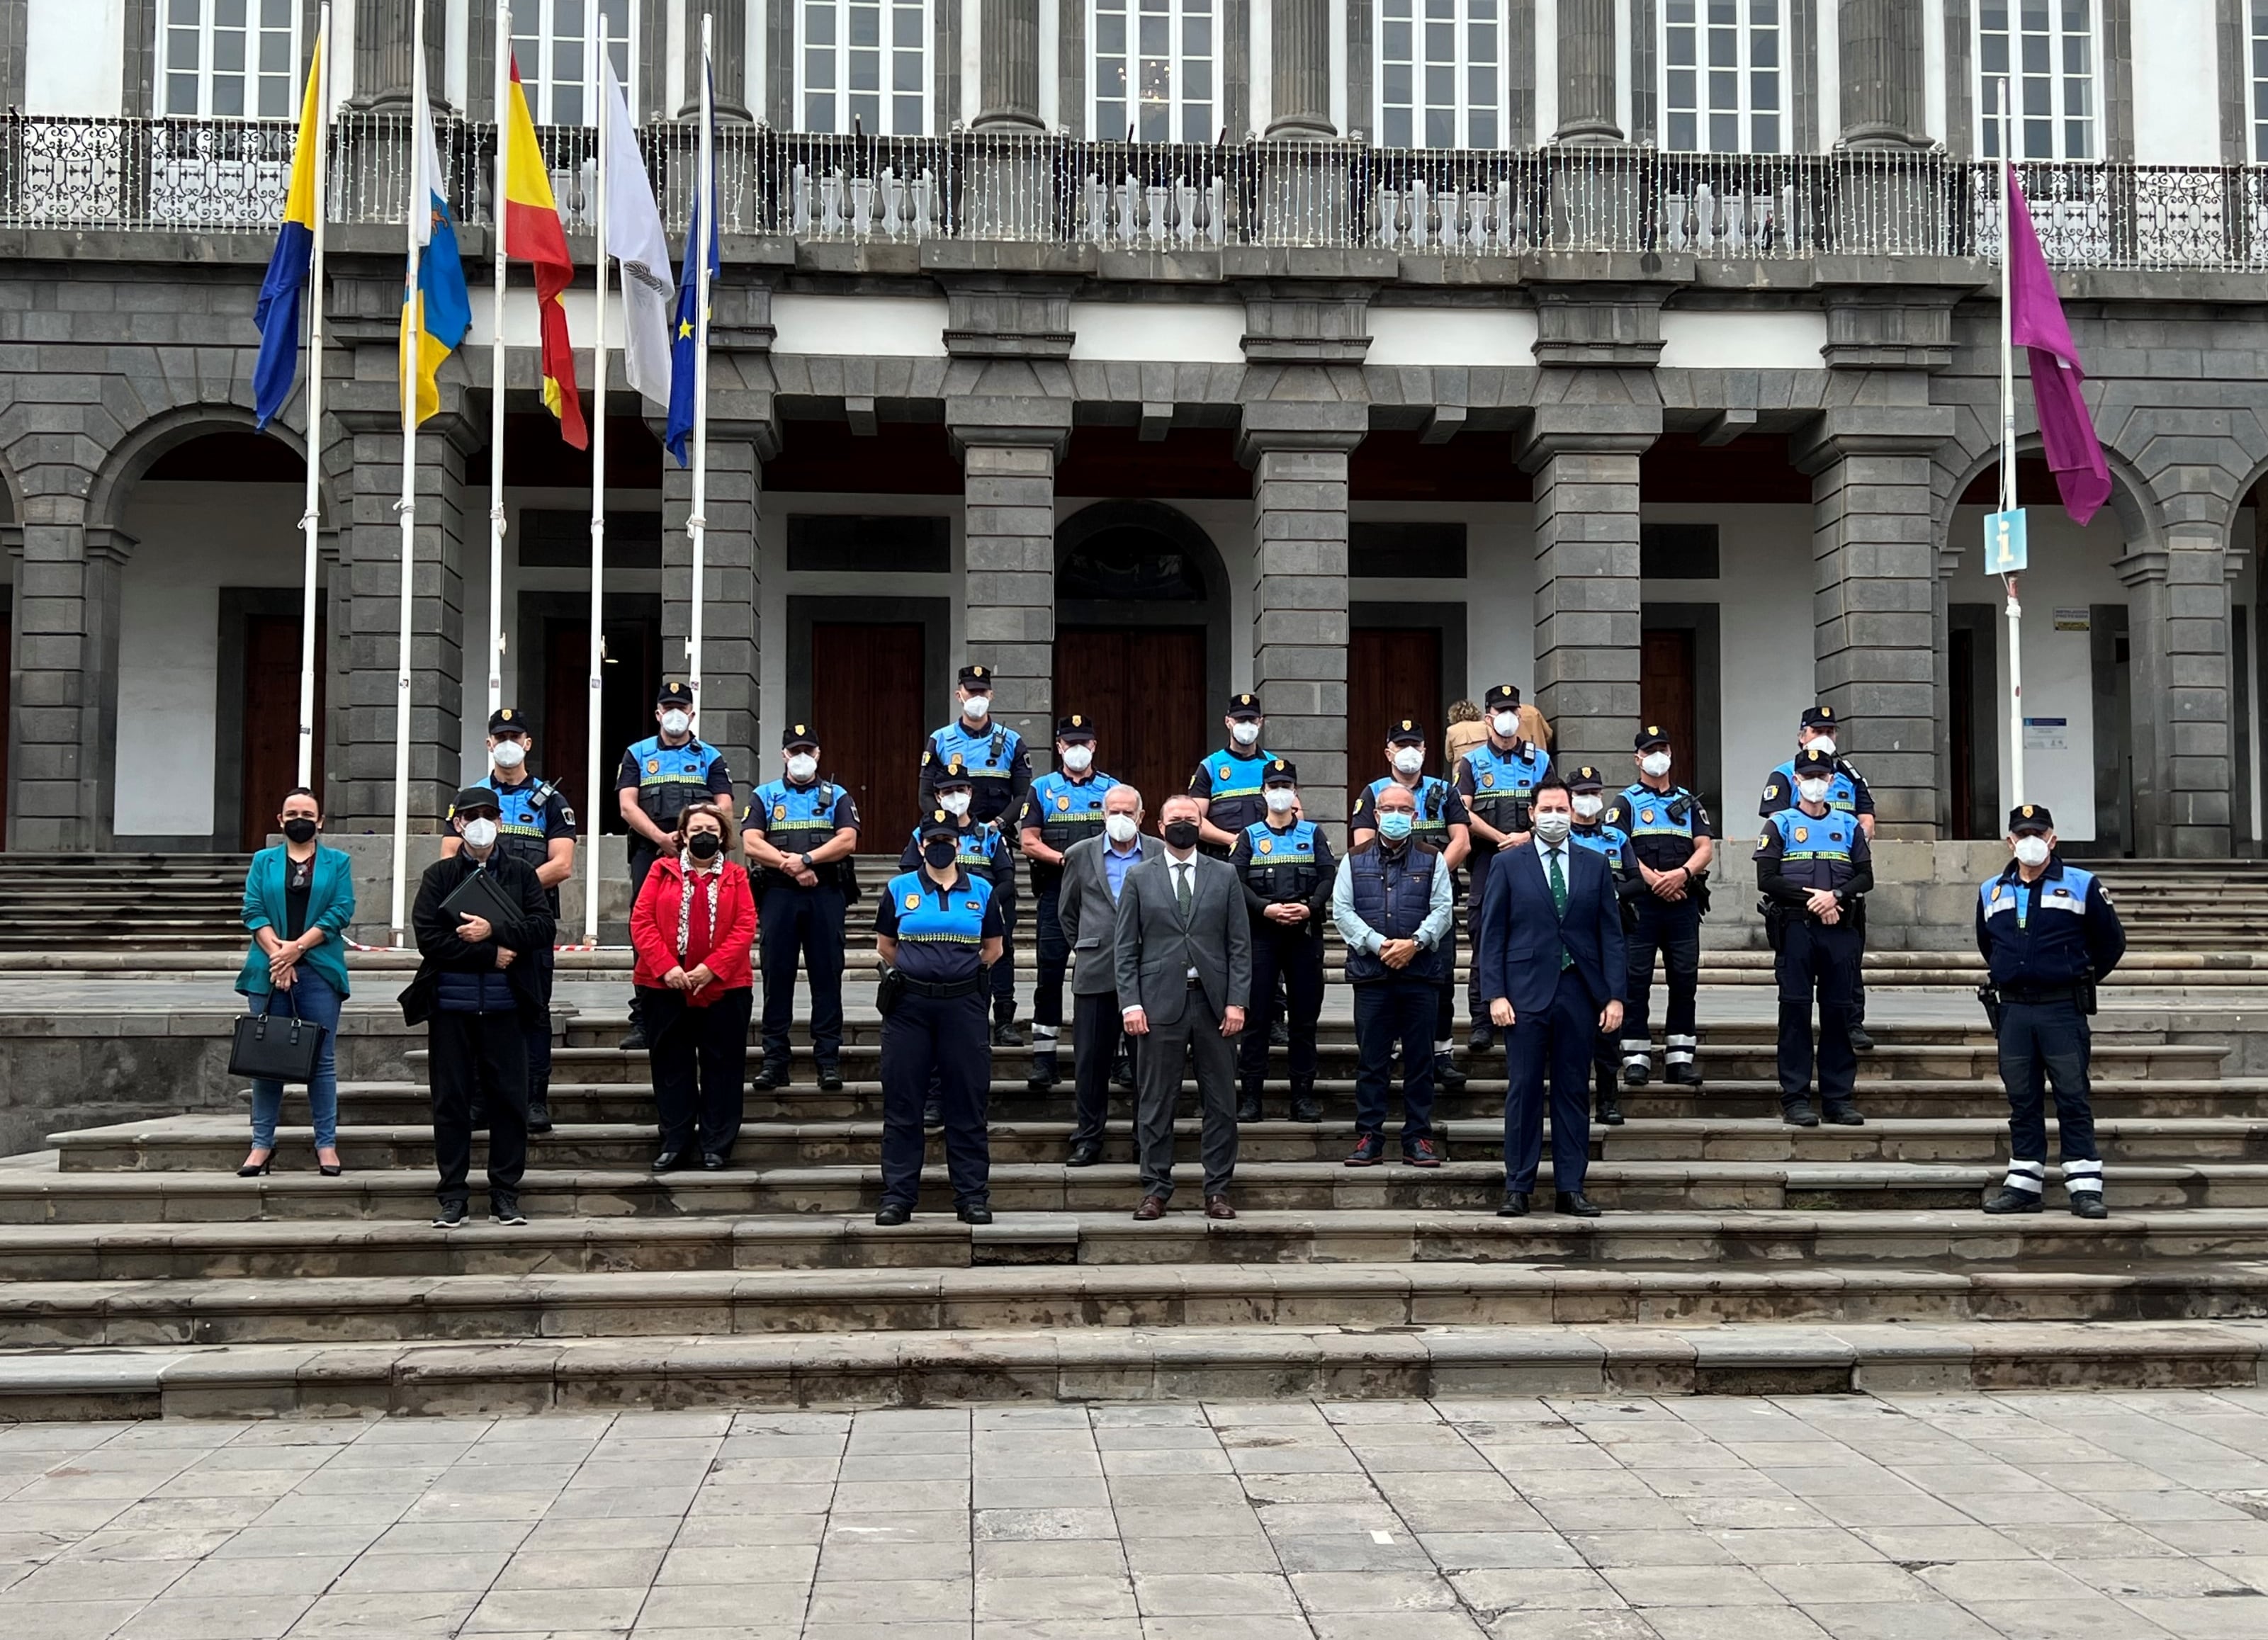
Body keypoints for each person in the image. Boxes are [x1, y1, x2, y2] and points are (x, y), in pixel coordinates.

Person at [400, 788, 556, 1228]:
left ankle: (505, 1194)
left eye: (489, 814)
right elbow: (429, 938)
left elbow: (542, 926)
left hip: (507, 1008)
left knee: (509, 1102)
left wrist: (494, 928)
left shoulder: (523, 874)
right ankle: (452, 1195)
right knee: (451, 1103)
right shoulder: (440, 875)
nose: (481, 822)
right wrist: (489, 953)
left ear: (500, 821)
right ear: (458, 824)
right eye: (472, 816)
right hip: (452, 1006)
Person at [1476, 774, 1627, 1219]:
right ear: (1532, 814)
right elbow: (1493, 934)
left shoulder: (1594, 864)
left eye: (1563, 809)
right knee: (1523, 1091)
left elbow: (1611, 937)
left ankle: (1571, 1186)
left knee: (1573, 1091)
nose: (1556, 817)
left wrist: (1615, 997)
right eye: (1548, 810)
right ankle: (1518, 1187)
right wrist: (1495, 994)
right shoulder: (1509, 864)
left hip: (1579, 991)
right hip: (1523, 995)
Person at [1978, 804, 2127, 1218]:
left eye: (2038, 833)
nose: (2030, 841)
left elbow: (2111, 943)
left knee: (2073, 1097)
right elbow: (1988, 944)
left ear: (2052, 839)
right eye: (2022, 834)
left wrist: (2076, 977)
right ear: (2010, 841)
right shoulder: (1991, 890)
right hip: (2014, 1011)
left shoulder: (2082, 884)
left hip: (2062, 1008)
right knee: (2021, 1099)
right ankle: (2024, 1186)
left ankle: (2085, 1188)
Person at [1117, 793, 1251, 1220]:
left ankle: (1218, 1190)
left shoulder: (1225, 874)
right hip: (1158, 1004)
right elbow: (1125, 950)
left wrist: (1237, 1001)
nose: (1183, 825)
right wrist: (1130, 1004)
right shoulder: (1139, 877)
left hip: (1214, 1004)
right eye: (1175, 819)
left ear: (1201, 825)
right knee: (1156, 1101)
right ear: (1158, 825)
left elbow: (1239, 946)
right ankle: (1156, 1189)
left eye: (1190, 819)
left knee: (1221, 1102)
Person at [443, 708, 575, 1135]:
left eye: (515, 735)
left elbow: (563, 864)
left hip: (531, 925)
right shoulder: (471, 797)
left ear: (527, 744)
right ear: (488, 743)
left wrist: (511, 892)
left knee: (533, 1014)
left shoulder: (552, 801)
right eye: (499, 736)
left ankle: (534, 1100)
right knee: (481, 1010)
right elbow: (448, 857)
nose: (507, 742)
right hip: (476, 926)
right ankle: (482, 1100)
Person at [873, 808, 1006, 1225]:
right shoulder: (899, 888)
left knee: (967, 1102)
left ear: (960, 844)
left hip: (963, 1007)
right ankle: (898, 1196)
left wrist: (956, 977)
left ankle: (971, 1196)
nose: (941, 847)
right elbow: (886, 945)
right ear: (921, 845)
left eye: (948, 841)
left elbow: (994, 950)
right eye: (933, 841)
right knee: (903, 1103)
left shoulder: (982, 890)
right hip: (909, 1007)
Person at [1331, 780, 1453, 1166]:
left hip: (1420, 974)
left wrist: (1414, 943)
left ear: (1415, 816)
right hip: (1373, 973)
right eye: (1389, 810)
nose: (1396, 817)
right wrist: (1379, 944)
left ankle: (1418, 1137)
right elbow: (1342, 911)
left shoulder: (1433, 859)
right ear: (1377, 814)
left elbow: (1443, 910)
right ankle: (1369, 1136)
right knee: (1372, 1061)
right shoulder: (1353, 858)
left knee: (1420, 1060)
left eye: (1405, 810)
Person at [235, 787, 355, 1177]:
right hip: (268, 970)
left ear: (319, 821)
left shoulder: (338, 862)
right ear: (280, 820)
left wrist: (296, 951)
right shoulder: (263, 861)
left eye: (307, 813)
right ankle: (261, 1145)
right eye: (292, 813)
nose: (299, 819)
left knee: (321, 1061)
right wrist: (279, 956)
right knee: (266, 1060)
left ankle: (326, 1145)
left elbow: (341, 910)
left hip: (319, 970)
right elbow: (252, 910)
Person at [633, 801, 757, 1171]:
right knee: (672, 1063)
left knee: (723, 1065)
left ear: (723, 838)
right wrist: (666, 967)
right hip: (664, 985)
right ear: (683, 836)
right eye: (697, 831)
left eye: (712, 832)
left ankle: (717, 1143)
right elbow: (642, 922)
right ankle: (676, 1140)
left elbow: (744, 928)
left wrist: (711, 969)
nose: (704, 837)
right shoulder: (660, 870)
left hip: (724, 986)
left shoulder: (737, 876)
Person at [1351, 718, 1472, 1092]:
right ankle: (1383, 1057)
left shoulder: (1443, 790)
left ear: (1424, 751)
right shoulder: (1373, 793)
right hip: (1381, 902)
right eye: (1400, 745)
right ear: (1388, 752)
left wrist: (1428, 873)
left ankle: (1441, 1056)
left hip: (1432, 902)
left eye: (1415, 745)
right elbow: (1361, 845)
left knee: (1440, 984)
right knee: (1383, 990)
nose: (1409, 752)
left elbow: (1462, 842)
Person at [1754, 746, 1871, 1128]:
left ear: (1832, 781)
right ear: (1797, 781)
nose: (1816, 783)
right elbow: (1767, 879)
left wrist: (1834, 897)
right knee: (1795, 1012)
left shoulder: (1849, 825)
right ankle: (1796, 1099)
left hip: (1840, 929)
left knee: (1839, 1013)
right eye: (1809, 777)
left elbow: (1864, 877)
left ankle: (1838, 1099)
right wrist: (1815, 901)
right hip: (1796, 930)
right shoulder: (1780, 824)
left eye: (1823, 776)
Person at [616, 680, 735, 1051]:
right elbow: (627, 806)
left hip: (701, 853)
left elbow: (725, 807)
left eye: (681, 708)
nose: (674, 715)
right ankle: (643, 1015)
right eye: (667, 708)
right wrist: (662, 839)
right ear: (657, 714)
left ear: (692, 714)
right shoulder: (637, 753)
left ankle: (703, 995)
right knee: (647, 926)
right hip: (652, 853)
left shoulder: (710, 757)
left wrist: (690, 838)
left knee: (709, 922)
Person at [918, 663, 1032, 1046]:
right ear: (959, 695)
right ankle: (966, 1014)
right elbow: (923, 793)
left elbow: (1023, 795)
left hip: (991, 839)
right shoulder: (940, 739)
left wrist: (998, 824)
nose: (977, 697)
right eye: (971, 691)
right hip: (946, 840)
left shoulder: (1011, 740)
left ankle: (1004, 1018)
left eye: (984, 691)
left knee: (1003, 944)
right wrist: (941, 827)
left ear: (991, 695)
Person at [743, 723, 859, 1092]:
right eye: (796, 751)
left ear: (819, 754)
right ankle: (775, 1061)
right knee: (777, 978)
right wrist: (789, 865)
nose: (802, 758)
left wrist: (806, 860)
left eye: (809, 751)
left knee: (827, 976)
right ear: (784, 755)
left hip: (825, 894)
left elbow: (848, 840)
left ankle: (828, 1060)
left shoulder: (837, 795)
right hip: (779, 895)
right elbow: (750, 842)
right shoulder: (765, 795)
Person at [1761, 705, 1877, 1050]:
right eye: (1817, 730)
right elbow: (1778, 825)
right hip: (1799, 903)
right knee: (1796, 1000)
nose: (1825, 737)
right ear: (1802, 736)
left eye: (1831, 731)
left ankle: (1854, 1023)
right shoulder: (1784, 775)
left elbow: (1867, 819)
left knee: (1848, 972)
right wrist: (1818, 897)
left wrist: (1837, 890)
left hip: (1843, 888)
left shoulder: (1849, 775)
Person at [1057, 785, 1159, 1165]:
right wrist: (1088, 944)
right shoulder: (1080, 855)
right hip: (1095, 970)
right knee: (1090, 1061)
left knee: (1146, 1064)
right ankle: (1088, 1137)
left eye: (1127, 812)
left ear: (1140, 816)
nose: (1120, 818)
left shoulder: (1159, 853)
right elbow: (1067, 913)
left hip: (1149, 974)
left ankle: (1144, 1139)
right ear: (1103, 815)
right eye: (1112, 811)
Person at [1018, 713, 1119, 1092]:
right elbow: (1029, 840)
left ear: (1094, 746)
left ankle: (1119, 1059)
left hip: (1103, 897)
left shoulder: (1112, 789)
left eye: (1084, 743)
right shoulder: (1042, 789)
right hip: (1056, 892)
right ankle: (1045, 1060)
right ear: (1059, 746)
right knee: (1049, 977)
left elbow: (1124, 839)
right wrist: (1064, 860)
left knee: (1114, 975)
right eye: (1069, 742)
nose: (1077, 749)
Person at [1229, 759, 1333, 1124]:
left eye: (1286, 786)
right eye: (1273, 786)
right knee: (1256, 1019)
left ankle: (1302, 1097)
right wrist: (1264, 910)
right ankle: (1251, 1098)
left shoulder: (1313, 833)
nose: (1280, 792)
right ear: (1263, 793)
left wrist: (1311, 908)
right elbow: (1236, 883)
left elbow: (1327, 876)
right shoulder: (1249, 837)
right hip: (1262, 936)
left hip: (1303, 936)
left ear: (1295, 793)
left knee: (1304, 1021)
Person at [1611, 724, 1713, 1092]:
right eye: (1650, 750)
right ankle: (1636, 1058)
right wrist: (1657, 881)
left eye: (1663, 749)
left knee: (1684, 980)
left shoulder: (1689, 801)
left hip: (1683, 904)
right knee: (1635, 980)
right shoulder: (1626, 803)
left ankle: (1680, 1058)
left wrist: (1682, 875)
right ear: (1637, 758)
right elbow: (1619, 851)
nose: (1658, 756)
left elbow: (1704, 847)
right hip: (1642, 905)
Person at [1455, 684, 1550, 1055]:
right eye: (1501, 710)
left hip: (1531, 858)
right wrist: (1501, 838)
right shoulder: (1473, 762)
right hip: (1488, 860)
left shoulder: (1539, 760)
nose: (1509, 716)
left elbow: (1553, 806)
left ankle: (1530, 1011)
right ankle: (1481, 1022)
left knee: (1533, 934)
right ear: (1488, 717)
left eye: (1514, 709)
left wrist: (1526, 836)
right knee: (1484, 936)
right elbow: (1462, 811)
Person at [1567, 764, 1637, 1126]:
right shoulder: (1562, 839)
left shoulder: (1616, 837)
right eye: (1582, 793)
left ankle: (1609, 1099)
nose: (1589, 799)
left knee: (1609, 1028)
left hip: (1610, 937)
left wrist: (1609, 895)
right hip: (1572, 939)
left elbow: (1637, 881)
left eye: (1594, 792)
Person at [1190, 692, 1276, 854]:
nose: (1247, 725)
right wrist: (1235, 841)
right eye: (1241, 720)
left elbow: (1295, 813)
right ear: (1228, 722)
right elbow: (1195, 820)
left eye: (1252, 720)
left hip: (1267, 856)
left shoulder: (1273, 765)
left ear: (1260, 722)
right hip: (1222, 856)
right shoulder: (1210, 766)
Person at [1443, 699, 1487, 769]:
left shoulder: (1451, 730)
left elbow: (1449, 757)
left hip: (1461, 768)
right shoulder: (1485, 726)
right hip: (1483, 766)